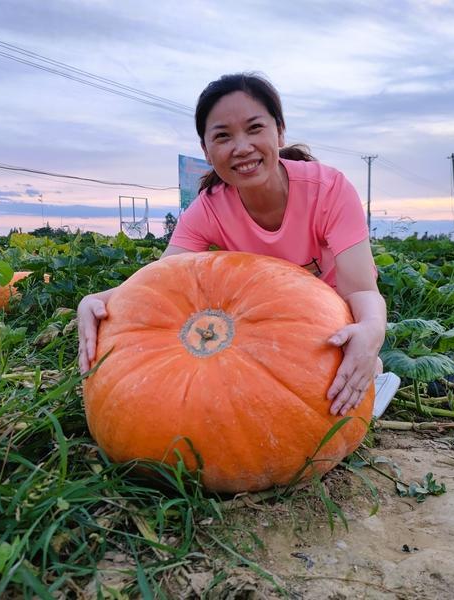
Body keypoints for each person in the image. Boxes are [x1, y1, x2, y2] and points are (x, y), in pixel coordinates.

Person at [78, 72, 399, 418]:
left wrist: (370, 330)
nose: (242, 147)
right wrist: (95, 300)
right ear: (206, 149)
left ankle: (371, 371)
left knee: (315, 399)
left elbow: (361, 291)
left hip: (329, 323)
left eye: (255, 128)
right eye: (223, 136)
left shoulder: (329, 189)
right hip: (257, 323)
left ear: (279, 130)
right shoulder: (208, 209)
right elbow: (156, 283)